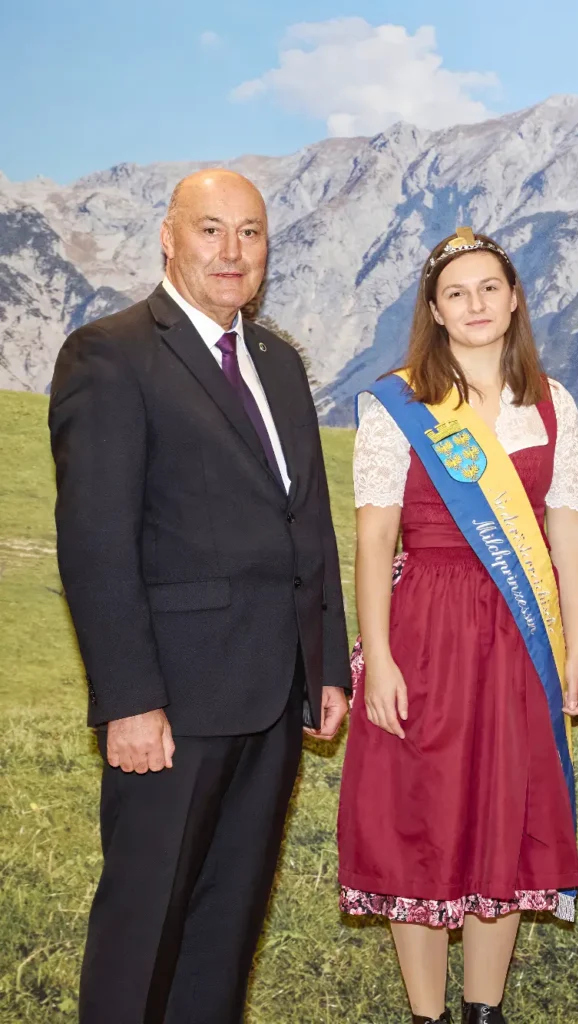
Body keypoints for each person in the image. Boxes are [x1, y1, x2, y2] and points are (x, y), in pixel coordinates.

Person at [50, 169, 351, 1023]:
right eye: (210, 229)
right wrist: (129, 700)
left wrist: (326, 664)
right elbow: (96, 544)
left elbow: (307, 522)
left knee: (225, 931)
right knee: (143, 930)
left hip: (272, 697)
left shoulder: (279, 364)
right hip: (172, 706)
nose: (232, 251)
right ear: (169, 237)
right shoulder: (111, 354)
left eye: (250, 233)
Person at [336, 227, 578, 1024]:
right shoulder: (399, 403)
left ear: (514, 299)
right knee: (422, 809)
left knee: (503, 811)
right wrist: (379, 658)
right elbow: (376, 536)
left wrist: (577, 651)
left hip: (520, 635)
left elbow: (569, 529)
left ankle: (486, 1010)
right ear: (436, 310)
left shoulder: (552, 402)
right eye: (457, 292)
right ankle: (428, 1014)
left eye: (489, 288)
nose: (475, 304)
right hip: (427, 628)